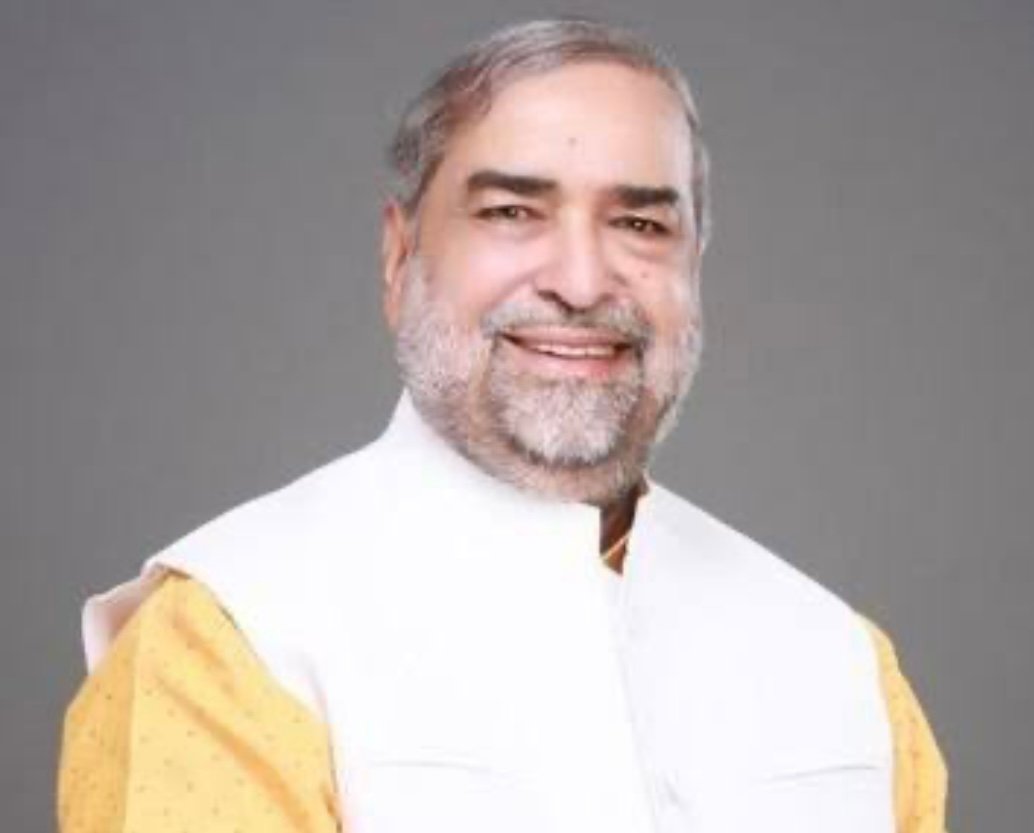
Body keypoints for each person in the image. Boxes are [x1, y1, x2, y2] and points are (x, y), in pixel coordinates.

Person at [58, 18, 947, 833]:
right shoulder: (230, 635)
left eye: (640, 222)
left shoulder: (839, 662)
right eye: (512, 212)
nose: (581, 281)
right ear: (399, 257)